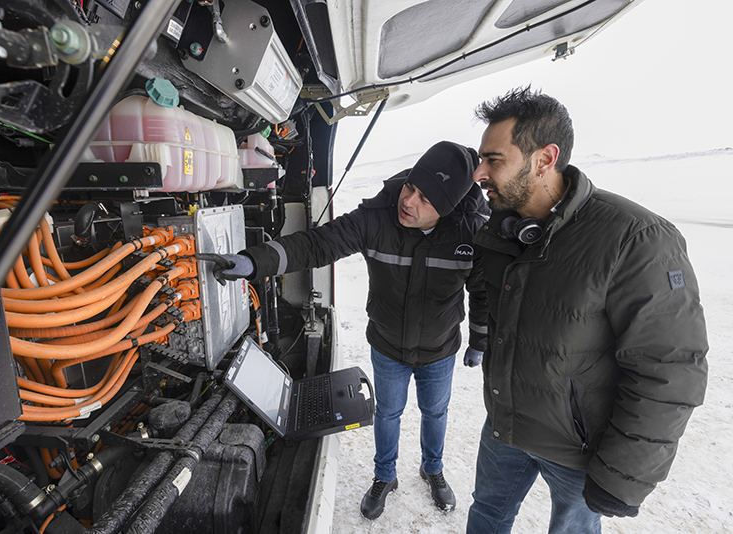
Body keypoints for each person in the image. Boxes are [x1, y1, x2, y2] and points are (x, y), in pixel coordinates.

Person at [465, 86, 709, 533]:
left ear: (545, 158)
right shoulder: (501, 230)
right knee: (486, 515)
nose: (479, 172)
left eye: (493, 160)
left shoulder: (635, 238)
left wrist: (623, 475)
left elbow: (670, 366)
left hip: (577, 451)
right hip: (505, 428)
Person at [214, 141, 490, 520]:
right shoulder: (377, 217)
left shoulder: (472, 232)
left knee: (435, 412)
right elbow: (317, 244)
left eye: (425, 199)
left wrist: (480, 339)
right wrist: (255, 261)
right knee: (388, 413)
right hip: (388, 345)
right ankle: (384, 476)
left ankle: (433, 469)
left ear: (448, 209)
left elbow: (482, 291)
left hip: (440, 348)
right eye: (410, 187)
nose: (409, 201)